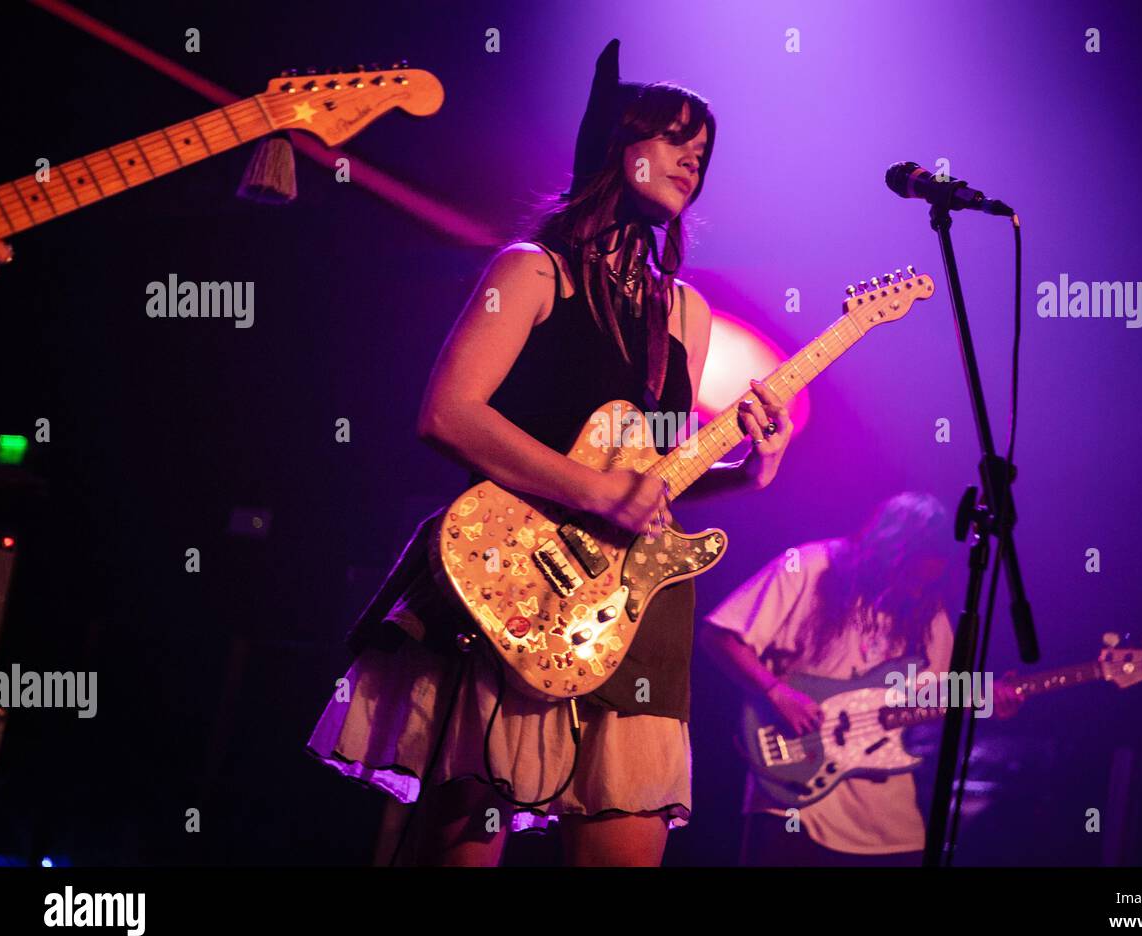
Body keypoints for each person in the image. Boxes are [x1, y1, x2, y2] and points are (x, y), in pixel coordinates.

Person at [306, 39, 795, 867]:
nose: (693, 161)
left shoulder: (687, 313)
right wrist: (594, 493)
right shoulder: (533, 272)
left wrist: (745, 471)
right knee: (465, 841)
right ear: (617, 146)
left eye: (702, 151)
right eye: (674, 139)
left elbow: (646, 480)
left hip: (634, 602)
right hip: (515, 575)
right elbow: (447, 414)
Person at [700, 492, 1020, 866]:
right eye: (910, 577)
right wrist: (775, 690)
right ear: (889, 552)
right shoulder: (809, 567)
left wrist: (984, 699)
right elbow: (720, 635)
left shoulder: (925, 609)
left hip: (885, 822)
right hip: (795, 796)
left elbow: (932, 699)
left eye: (924, 582)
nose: (915, 590)